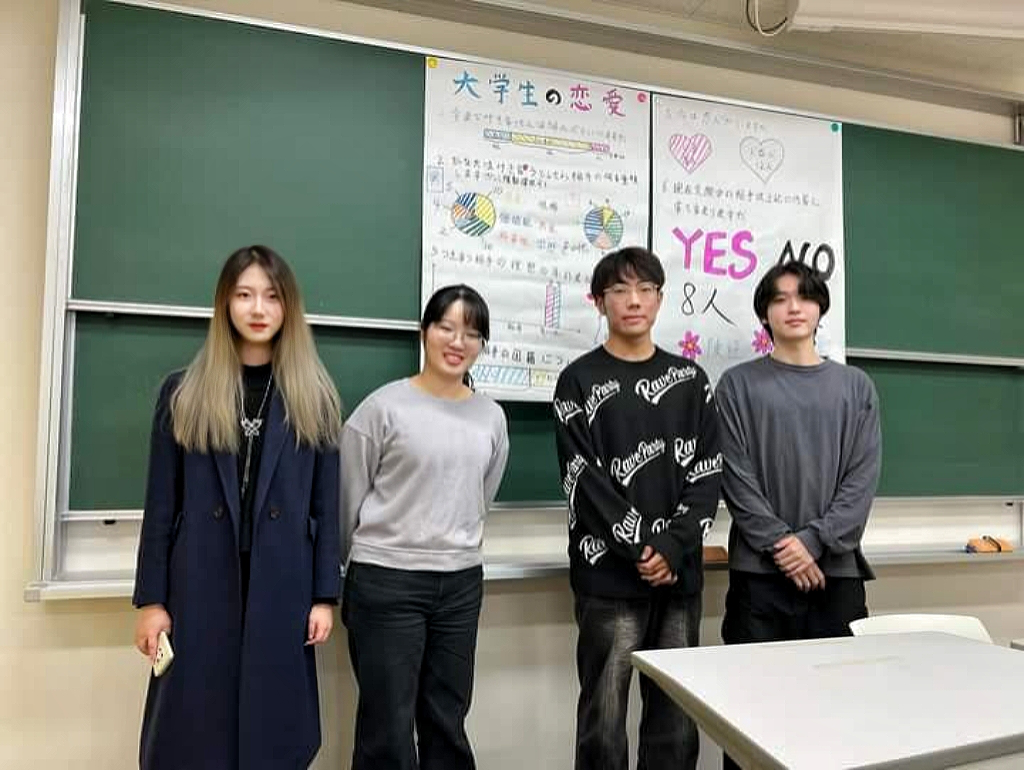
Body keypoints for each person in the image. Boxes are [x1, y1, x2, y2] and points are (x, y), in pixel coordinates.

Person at [132, 245, 343, 770]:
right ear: (225, 303)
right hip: (199, 581)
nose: (258, 308)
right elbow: (160, 505)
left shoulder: (314, 396)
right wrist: (152, 602)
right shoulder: (183, 392)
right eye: (244, 295)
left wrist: (323, 597)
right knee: (194, 725)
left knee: (275, 726)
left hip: (283, 584)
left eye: (272, 297)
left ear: (288, 307)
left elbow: (326, 505)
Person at [553, 246, 722, 770]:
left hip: (678, 577)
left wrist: (671, 547)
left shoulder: (691, 381)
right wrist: (642, 548)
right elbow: (582, 480)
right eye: (620, 290)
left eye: (645, 289)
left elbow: (707, 475)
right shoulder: (578, 381)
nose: (633, 301)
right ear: (598, 301)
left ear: (659, 299)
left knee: (676, 718)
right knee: (603, 720)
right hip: (608, 577)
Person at [716, 261, 882, 770]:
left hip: (836, 575)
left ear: (820, 307)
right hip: (759, 580)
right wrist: (783, 546)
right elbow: (735, 477)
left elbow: (861, 481)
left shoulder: (856, 387)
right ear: (764, 312)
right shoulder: (737, 385)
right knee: (749, 715)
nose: (794, 307)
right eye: (780, 298)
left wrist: (812, 542)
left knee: (838, 714)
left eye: (805, 296)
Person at [340, 284, 509, 770]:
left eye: (472, 333)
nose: (458, 342)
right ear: (424, 332)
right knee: (388, 725)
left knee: (446, 718)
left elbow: (480, 497)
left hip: (460, 584)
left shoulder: (491, 417)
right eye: (446, 328)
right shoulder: (382, 408)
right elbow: (347, 498)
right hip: (386, 580)